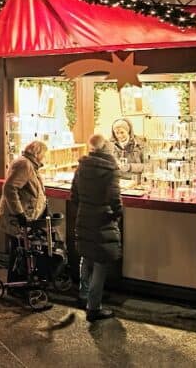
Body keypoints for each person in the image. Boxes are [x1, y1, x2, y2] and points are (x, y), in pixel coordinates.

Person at [71, 134, 123, 322]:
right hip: (102, 218)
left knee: (86, 256)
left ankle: (84, 295)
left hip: (84, 216)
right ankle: (94, 306)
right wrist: (117, 213)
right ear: (107, 149)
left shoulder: (81, 167)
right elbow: (114, 198)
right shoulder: (110, 169)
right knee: (101, 262)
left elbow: (74, 195)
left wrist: (83, 209)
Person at [0, 139, 48, 272]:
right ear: (37, 153)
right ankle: (16, 283)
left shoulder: (29, 164)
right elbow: (10, 188)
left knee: (21, 250)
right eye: (44, 154)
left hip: (23, 217)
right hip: (17, 218)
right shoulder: (25, 165)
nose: (45, 157)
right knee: (19, 251)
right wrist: (19, 213)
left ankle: (19, 281)